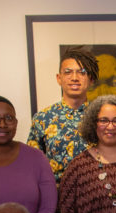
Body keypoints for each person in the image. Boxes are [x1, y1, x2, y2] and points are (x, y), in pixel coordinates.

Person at [27, 47, 99, 182]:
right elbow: (32, 165)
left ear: (91, 79)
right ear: (59, 78)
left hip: (96, 193)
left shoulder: (102, 117)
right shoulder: (43, 118)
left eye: (82, 72)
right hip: (56, 195)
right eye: (68, 72)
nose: (74, 78)